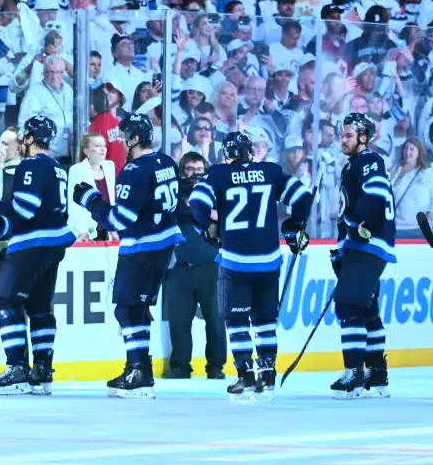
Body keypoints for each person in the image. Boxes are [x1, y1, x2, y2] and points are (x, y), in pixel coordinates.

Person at [188, 132, 312, 401]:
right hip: (269, 260)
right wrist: (294, 226)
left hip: (236, 261)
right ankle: (267, 375)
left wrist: (207, 227)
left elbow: (197, 203)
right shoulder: (270, 171)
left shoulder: (218, 174)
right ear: (250, 153)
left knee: (236, 320)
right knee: (265, 320)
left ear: (226, 155)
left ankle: (245, 374)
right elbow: (303, 197)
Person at [76, 114, 181, 398]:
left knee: (127, 308)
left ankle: (139, 371)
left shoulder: (133, 170)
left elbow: (119, 220)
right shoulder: (166, 162)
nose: (121, 142)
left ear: (135, 138)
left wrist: (92, 201)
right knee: (138, 308)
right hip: (164, 244)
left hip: (142, 246)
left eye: (125, 136)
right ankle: (139, 366)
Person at [0, 115, 74, 394]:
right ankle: (43, 370)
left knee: (4, 300)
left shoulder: (30, 165)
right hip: (55, 244)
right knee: (39, 307)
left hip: (32, 243)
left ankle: (17, 368)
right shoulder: (59, 168)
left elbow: (25, 208)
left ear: (30, 138)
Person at [330, 112, 398, 399]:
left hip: (367, 244)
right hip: (362, 245)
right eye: (342, 135)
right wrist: (342, 246)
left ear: (363, 137)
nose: (343, 140)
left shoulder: (369, 160)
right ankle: (377, 373)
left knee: (348, 306)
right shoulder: (353, 165)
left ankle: (355, 371)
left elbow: (375, 196)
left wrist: (359, 226)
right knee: (367, 309)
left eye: (348, 135)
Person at [165, 151, 227, 381]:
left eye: (199, 169)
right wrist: (203, 211)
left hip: (212, 267)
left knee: (215, 320)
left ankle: (216, 367)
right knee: (179, 321)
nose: (194, 174)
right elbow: (176, 213)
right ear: (182, 171)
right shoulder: (173, 194)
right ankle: (180, 367)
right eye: (190, 169)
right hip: (179, 268)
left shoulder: (217, 192)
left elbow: (226, 216)